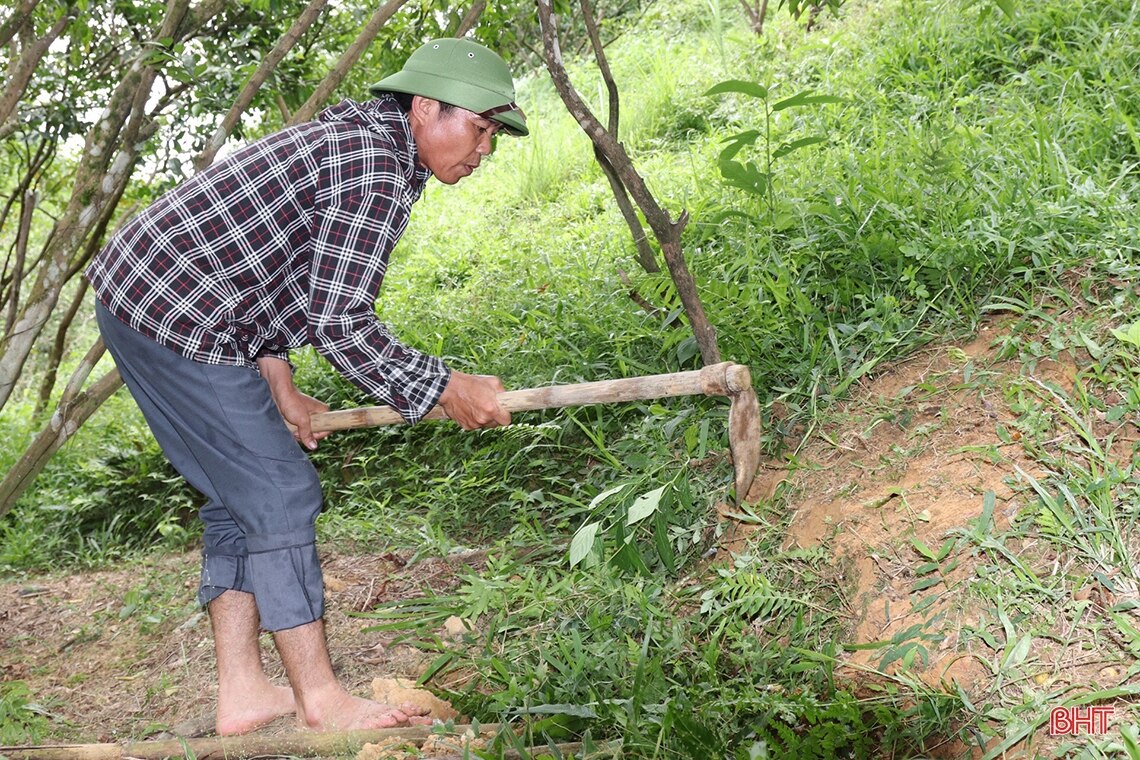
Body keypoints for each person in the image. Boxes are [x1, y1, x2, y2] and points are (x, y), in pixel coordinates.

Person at [85, 38, 528, 735]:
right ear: (423, 108)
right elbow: (343, 322)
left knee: (239, 494)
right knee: (280, 490)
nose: (484, 152)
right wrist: (444, 387)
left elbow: (279, 269)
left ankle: (244, 695)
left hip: (146, 292)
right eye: (478, 128)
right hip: (176, 308)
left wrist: (280, 383)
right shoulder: (375, 163)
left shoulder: (373, 149)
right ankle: (321, 699)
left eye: (494, 138)